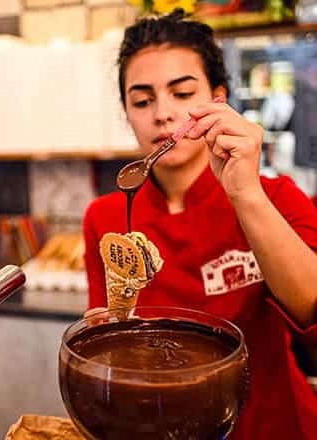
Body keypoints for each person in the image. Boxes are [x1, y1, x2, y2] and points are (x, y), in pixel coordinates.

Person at [83, 9, 317, 440]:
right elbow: (110, 352)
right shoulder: (106, 219)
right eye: (142, 100)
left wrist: (246, 193)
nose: (163, 114)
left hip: (273, 425)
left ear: (218, 100)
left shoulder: (276, 200)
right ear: (127, 113)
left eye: (182, 93)